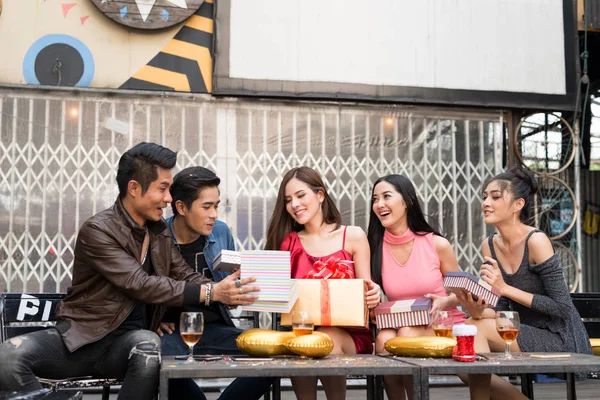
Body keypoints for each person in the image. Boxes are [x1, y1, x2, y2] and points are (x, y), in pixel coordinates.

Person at [0, 142, 259, 399]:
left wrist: (227, 291)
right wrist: (211, 292)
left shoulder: (159, 232)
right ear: (134, 188)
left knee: (147, 348)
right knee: (8, 357)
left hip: (130, 345)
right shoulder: (99, 230)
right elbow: (140, 283)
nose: (169, 198)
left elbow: (184, 274)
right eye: (163, 188)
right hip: (82, 340)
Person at [455, 166, 591, 400]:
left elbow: (563, 307)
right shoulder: (489, 245)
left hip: (558, 336)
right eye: (485, 196)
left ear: (518, 205)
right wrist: (477, 310)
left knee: (474, 335)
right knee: (469, 332)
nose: (486, 202)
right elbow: (504, 309)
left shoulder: (536, 241)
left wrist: (505, 288)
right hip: (518, 328)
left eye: (495, 197)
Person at [158, 166, 275, 399]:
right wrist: (152, 321)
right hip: (172, 332)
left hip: (215, 327)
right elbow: (143, 285)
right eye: (207, 206)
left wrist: (238, 291)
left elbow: (229, 294)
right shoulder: (157, 236)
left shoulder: (220, 232)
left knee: (272, 358)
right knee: (159, 362)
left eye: (217, 205)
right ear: (181, 207)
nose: (214, 214)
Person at [265, 166, 381, 400]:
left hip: (350, 335)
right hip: (301, 333)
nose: (294, 205)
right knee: (304, 342)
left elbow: (367, 292)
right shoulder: (288, 242)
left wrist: (374, 294)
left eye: (300, 195)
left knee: (323, 338)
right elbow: (273, 296)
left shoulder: (353, 236)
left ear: (320, 195)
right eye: (288, 200)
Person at [368, 174, 466, 400]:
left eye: (386, 196)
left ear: (407, 201)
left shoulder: (436, 244)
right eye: (375, 199)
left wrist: (446, 300)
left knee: (404, 335)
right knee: (383, 339)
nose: (379, 204)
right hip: (402, 323)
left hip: (441, 324)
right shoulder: (374, 247)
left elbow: (463, 294)